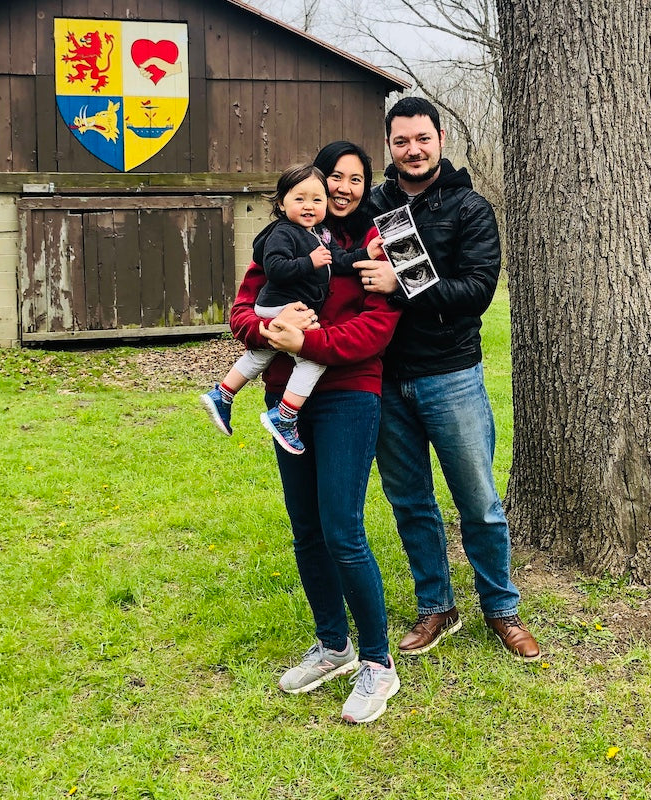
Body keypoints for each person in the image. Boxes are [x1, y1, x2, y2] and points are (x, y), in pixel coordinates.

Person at [357, 97, 541, 661]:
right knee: (410, 501)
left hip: (451, 375)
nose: (412, 150)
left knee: (479, 501)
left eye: (422, 139)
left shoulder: (470, 208)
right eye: (401, 141)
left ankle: (502, 608)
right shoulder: (372, 204)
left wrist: (401, 282)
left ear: (440, 139)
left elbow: (474, 295)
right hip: (384, 377)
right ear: (389, 145)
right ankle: (437, 606)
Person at [229, 141, 403, 723]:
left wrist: (308, 343)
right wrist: (268, 327)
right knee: (306, 529)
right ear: (314, 184)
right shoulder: (286, 241)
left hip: (349, 397)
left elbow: (375, 331)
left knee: (342, 529)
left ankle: (378, 665)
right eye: (334, 177)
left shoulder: (379, 248)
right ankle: (335, 645)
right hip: (285, 400)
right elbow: (241, 312)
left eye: (356, 179)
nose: (344, 188)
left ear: (366, 186)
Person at [200, 163, 382, 454]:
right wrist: (309, 262)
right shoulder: (282, 233)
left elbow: (340, 261)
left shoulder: (321, 233)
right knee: (313, 361)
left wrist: (365, 253)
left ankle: (223, 394)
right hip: (278, 305)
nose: (309, 206)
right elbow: (275, 268)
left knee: (261, 353)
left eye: (317, 199)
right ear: (282, 203)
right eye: (300, 199)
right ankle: (285, 416)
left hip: (285, 307)